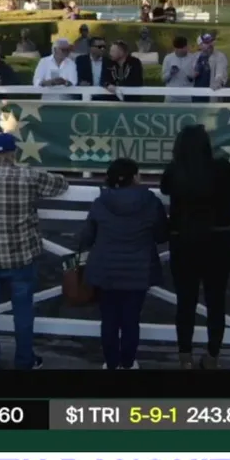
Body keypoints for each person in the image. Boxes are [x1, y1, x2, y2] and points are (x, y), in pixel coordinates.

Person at [0, 133, 69, 369]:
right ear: (13, 153)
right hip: (21, 257)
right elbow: (61, 184)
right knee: (23, 312)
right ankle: (24, 360)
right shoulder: (29, 176)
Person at [160, 126, 230, 369]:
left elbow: (164, 189)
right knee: (216, 301)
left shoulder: (174, 170)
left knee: (185, 302)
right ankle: (212, 356)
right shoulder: (222, 168)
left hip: (183, 242)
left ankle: (185, 357)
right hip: (218, 243)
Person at [81, 158, 168, 370]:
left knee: (109, 320)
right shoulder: (150, 201)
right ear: (135, 177)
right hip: (138, 270)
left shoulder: (101, 201)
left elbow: (86, 238)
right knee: (131, 320)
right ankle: (128, 364)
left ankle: (111, 363)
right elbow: (161, 235)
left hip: (106, 270)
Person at [191, 33, 229, 103]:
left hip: (212, 95)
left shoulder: (220, 56)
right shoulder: (195, 56)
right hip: (196, 95)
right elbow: (190, 75)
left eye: (211, 42)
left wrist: (217, 83)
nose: (210, 44)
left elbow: (221, 74)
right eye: (206, 43)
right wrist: (193, 74)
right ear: (200, 45)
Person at [161, 35, 199, 103]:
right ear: (176, 49)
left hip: (188, 96)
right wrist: (171, 73)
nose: (185, 49)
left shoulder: (193, 58)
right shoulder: (168, 58)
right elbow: (163, 79)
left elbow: (195, 75)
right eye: (182, 48)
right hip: (171, 97)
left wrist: (191, 76)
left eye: (186, 47)